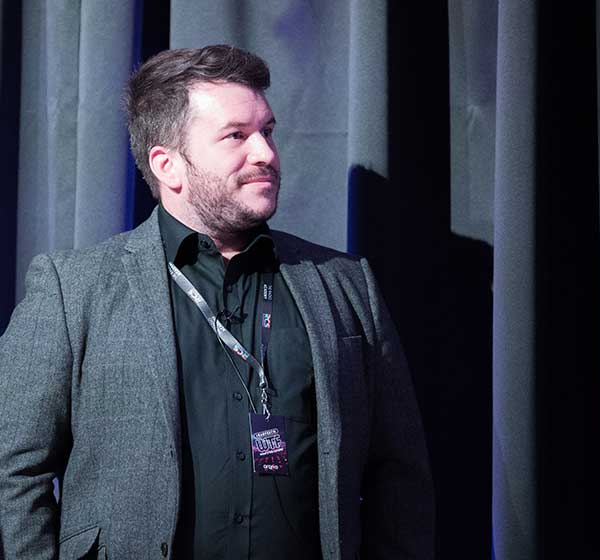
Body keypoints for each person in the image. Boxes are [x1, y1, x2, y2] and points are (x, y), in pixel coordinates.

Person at [0, 44, 434, 559]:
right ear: (168, 165)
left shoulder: (344, 283)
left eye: (267, 131)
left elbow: (399, 473)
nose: (265, 153)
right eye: (236, 136)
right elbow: (14, 468)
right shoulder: (74, 290)